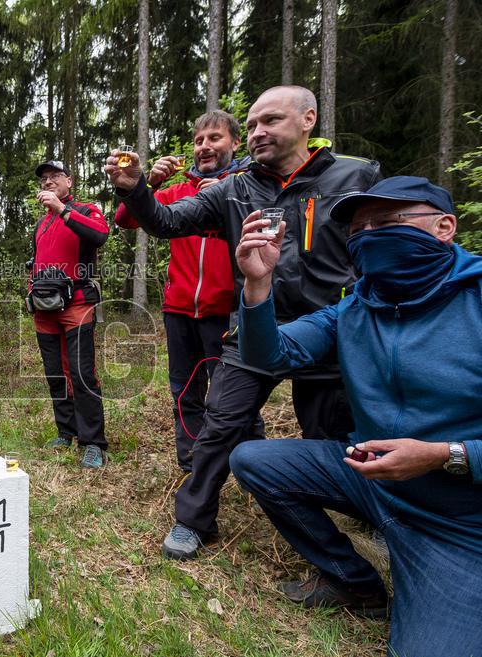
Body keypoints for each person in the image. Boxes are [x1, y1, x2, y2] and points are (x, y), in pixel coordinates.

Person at [106, 85, 381, 559]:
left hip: (333, 329)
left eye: (270, 121)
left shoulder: (356, 177)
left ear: (308, 119)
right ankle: (193, 519)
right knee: (221, 421)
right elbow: (167, 222)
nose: (257, 132)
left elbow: (384, 248)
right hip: (256, 325)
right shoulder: (236, 189)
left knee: (336, 431)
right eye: (252, 124)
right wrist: (135, 190)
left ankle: (372, 511)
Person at [229, 176, 482, 657]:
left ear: (444, 227)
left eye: (385, 223)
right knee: (254, 459)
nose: (366, 235)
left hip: (460, 522)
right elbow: (271, 355)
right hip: (373, 479)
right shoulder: (355, 307)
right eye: (357, 229)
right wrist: (258, 284)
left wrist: (444, 455)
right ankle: (355, 583)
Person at [114, 110, 250, 472]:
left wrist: (225, 196)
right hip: (179, 309)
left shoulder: (248, 186)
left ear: (236, 143)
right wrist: (149, 185)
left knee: (235, 395)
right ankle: (192, 463)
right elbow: (125, 220)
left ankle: (250, 461)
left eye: (215, 139)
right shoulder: (180, 191)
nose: (205, 147)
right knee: (185, 390)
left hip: (227, 311)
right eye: (199, 141)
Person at [30, 159, 110, 469]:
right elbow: (36, 261)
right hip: (43, 307)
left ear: (69, 182)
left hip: (77, 303)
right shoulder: (40, 224)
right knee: (55, 372)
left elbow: (100, 235)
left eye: (55, 177)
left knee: (81, 373)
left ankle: (93, 442)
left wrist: (62, 210)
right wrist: (30, 290)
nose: (48, 182)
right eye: (44, 179)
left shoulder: (86, 211)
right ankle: (66, 431)